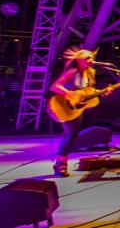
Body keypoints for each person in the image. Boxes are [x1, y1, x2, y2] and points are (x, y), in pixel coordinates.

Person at [49, 47, 110, 177]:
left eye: (92, 58)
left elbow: (89, 91)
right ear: (80, 60)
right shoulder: (73, 71)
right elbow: (55, 86)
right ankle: (60, 164)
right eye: (87, 58)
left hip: (77, 108)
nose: (91, 60)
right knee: (71, 135)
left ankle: (60, 163)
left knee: (72, 135)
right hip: (64, 105)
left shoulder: (90, 73)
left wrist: (103, 92)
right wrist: (69, 93)